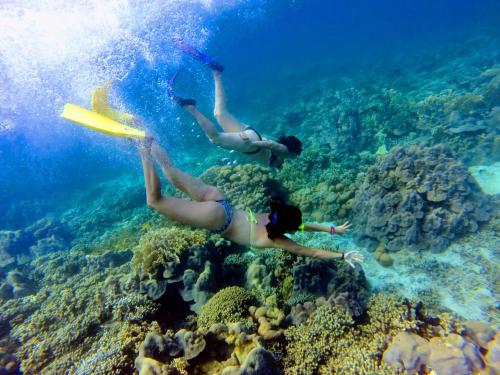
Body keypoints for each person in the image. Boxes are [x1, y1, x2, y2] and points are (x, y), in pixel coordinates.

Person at [136, 136, 364, 267]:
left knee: (171, 171)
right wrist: (343, 256)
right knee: (155, 201)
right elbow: (311, 251)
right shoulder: (276, 238)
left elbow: (308, 225)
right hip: (218, 219)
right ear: (288, 229)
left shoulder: (276, 217)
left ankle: (147, 139)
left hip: (222, 200)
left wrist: (334, 229)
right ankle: (143, 149)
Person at [167, 42, 303, 169]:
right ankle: (190, 108)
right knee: (215, 138)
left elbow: (271, 144)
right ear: (292, 150)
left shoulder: (283, 154)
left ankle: (217, 73)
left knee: (220, 113)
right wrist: (252, 144)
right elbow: (271, 144)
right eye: (298, 153)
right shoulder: (285, 152)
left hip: (251, 134)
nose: (298, 156)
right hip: (251, 144)